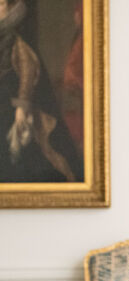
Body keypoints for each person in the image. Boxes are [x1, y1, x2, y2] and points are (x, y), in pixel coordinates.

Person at [0, 0, 81, 182]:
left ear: (11, 9)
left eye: (1, 4)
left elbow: (28, 74)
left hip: (11, 110)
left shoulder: (16, 41)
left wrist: (21, 108)